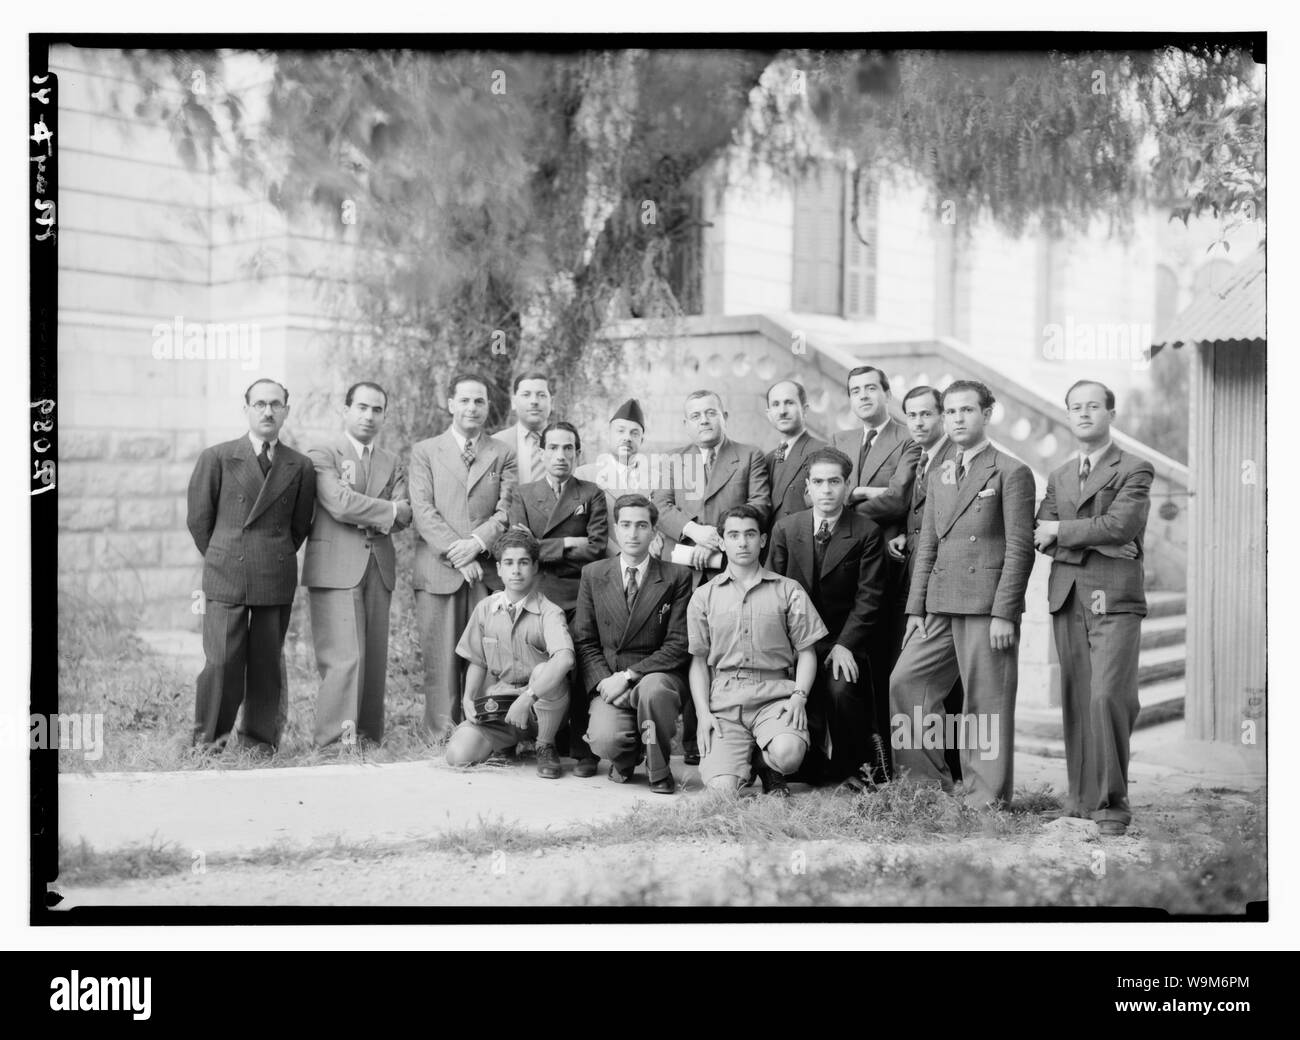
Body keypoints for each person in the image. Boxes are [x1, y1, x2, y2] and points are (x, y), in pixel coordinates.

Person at [889, 379, 1035, 809]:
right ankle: (924, 785)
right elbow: (929, 545)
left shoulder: (1011, 471)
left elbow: (1019, 548)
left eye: (966, 410)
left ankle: (984, 797)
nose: (956, 419)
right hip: (938, 602)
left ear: (987, 414)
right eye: (950, 411)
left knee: (983, 704)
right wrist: (915, 608)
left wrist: (1005, 612)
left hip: (986, 606)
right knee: (907, 682)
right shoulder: (938, 472)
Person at [1034, 380, 1154, 837]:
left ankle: (1112, 806)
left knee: (1109, 695)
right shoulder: (1060, 473)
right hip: (1068, 596)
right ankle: (1080, 801)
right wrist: (1100, 544)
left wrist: (1063, 531)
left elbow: (1122, 524)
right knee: (1078, 698)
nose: (1083, 414)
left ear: (1110, 414)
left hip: (1115, 601)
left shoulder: (1135, 467)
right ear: (1068, 415)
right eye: (1075, 408)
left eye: (1092, 407)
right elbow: (1038, 535)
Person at [186, 378, 316, 754]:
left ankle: (258, 744)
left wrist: (271, 552)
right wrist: (223, 556)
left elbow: (299, 526)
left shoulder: (300, 465)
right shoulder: (218, 457)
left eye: (275, 404)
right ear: (246, 410)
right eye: (259, 404)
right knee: (222, 662)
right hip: (226, 574)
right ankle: (207, 743)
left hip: (274, 575)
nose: (268, 411)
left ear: (286, 412)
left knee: (265, 665)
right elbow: (199, 520)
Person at [654, 389, 772, 765]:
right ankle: (691, 740)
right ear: (686, 423)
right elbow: (660, 506)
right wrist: (693, 531)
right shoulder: (674, 460)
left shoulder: (749, 455)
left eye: (710, 413)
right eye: (696, 415)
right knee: (691, 648)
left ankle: (738, 738)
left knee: (732, 650)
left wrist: (717, 539)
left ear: (725, 415)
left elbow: (759, 505)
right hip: (685, 572)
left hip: (731, 570)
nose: (704, 420)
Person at [687, 505, 828, 797]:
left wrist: (799, 698)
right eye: (734, 535)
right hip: (726, 702)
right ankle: (747, 765)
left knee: (788, 755)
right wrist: (703, 713)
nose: (742, 542)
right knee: (722, 792)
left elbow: (808, 653)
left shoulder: (789, 590)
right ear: (722, 542)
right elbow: (698, 663)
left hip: (775, 698)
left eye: (750, 534)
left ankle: (766, 762)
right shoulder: (703, 597)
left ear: (762, 540)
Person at [768, 448, 887, 788]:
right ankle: (793, 766)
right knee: (779, 689)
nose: (826, 490)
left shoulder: (866, 532)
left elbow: (870, 598)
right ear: (808, 485)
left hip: (841, 640)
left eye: (834, 481)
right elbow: (772, 592)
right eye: (818, 482)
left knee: (839, 689)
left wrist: (846, 645)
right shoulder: (786, 530)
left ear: (848, 485)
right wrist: (782, 649)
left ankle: (853, 769)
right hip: (794, 642)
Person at [302, 382, 412, 750]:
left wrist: (385, 512)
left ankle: (366, 738)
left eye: (377, 409)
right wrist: (386, 511)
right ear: (345, 409)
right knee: (344, 658)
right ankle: (335, 744)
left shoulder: (390, 460)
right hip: (335, 567)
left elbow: (405, 513)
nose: (369, 415)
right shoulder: (323, 452)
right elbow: (339, 503)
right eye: (362, 407)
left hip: (378, 566)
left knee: (373, 657)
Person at [408, 372, 517, 739]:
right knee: (439, 659)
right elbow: (423, 511)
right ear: (451, 404)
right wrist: (460, 554)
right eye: (465, 400)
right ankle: (439, 735)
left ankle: (483, 733)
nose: (472, 408)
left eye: (480, 401)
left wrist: (478, 543)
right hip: (439, 570)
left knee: (484, 657)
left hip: (485, 572)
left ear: (488, 407)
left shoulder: (502, 453)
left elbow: (506, 510)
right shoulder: (425, 451)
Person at [831, 365, 922, 764]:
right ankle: (856, 759)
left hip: (888, 565)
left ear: (887, 392)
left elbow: (899, 498)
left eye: (871, 388)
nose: (863, 396)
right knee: (848, 666)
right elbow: (821, 490)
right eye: (855, 390)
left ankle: (890, 760)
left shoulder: (908, 438)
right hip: (843, 568)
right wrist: (864, 491)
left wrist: (847, 500)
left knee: (885, 663)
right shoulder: (841, 439)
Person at [574, 494, 693, 793]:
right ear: (615, 528)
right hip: (610, 677)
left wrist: (628, 678)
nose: (632, 533)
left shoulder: (676, 576)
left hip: (657, 676)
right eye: (625, 525)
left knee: (652, 692)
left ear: (654, 531)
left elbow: (678, 644)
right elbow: (585, 641)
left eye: (642, 525)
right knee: (604, 738)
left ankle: (658, 768)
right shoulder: (593, 574)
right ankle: (627, 755)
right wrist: (605, 683)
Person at [508, 420, 608, 775]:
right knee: (545, 666)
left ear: (578, 453)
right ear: (541, 452)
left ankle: (583, 749)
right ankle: (545, 743)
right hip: (541, 593)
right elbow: (520, 547)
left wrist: (542, 546)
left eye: (568, 448)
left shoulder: (591, 493)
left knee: (581, 664)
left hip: (582, 593)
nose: (561, 456)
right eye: (553, 448)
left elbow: (596, 550)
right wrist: (567, 543)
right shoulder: (523, 493)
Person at [445, 529, 575, 779]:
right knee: (458, 756)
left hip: (541, 707)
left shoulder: (550, 612)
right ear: (499, 568)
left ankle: (545, 745)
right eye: (509, 563)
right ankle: (506, 744)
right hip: (501, 706)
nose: (516, 570)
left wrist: (528, 697)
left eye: (524, 562)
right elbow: (477, 660)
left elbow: (565, 659)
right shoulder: (485, 609)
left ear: (535, 566)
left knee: (542, 670)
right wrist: (468, 699)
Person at [888, 384, 965, 782]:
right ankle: (926, 777)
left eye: (927, 414)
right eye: (911, 415)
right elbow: (922, 516)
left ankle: (944, 773)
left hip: (951, 591)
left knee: (946, 690)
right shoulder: (920, 457)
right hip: (920, 582)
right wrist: (906, 532)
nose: (918, 422)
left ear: (943, 417)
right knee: (919, 686)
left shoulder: (956, 458)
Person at [573, 398, 662, 559]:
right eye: (620, 431)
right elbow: (581, 526)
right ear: (608, 435)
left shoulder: (658, 479)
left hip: (647, 564)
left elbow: (662, 522)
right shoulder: (585, 475)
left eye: (634, 433)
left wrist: (654, 545)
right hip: (601, 564)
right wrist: (622, 556)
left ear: (642, 440)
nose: (627, 437)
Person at [763, 379, 827, 539]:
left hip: (802, 545)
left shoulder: (822, 451)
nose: (782, 411)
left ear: (804, 409)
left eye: (789, 403)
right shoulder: (768, 458)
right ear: (769, 414)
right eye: (776, 404)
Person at [492, 371, 554, 486]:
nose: (534, 401)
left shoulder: (572, 444)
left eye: (541, 395)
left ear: (552, 402)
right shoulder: (494, 445)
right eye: (526, 395)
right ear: (514, 402)